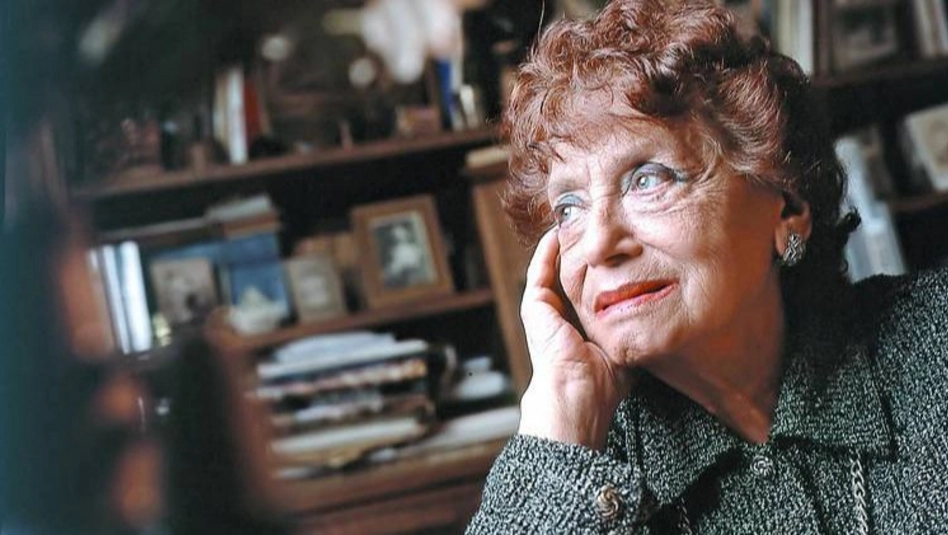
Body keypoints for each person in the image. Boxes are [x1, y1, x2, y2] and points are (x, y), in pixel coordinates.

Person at [466, 1, 948, 533]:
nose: (599, 243)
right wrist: (557, 438)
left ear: (786, 207)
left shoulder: (931, 342)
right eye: (569, 208)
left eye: (648, 179)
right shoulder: (580, 471)